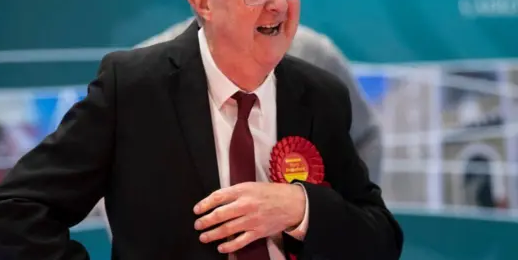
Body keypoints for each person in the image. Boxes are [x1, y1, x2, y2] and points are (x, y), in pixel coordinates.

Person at [0, 0, 403, 260]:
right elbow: (16, 209)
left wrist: (301, 207)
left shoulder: (321, 94)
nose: (280, 4)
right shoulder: (132, 88)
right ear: (203, 2)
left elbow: (380, 238)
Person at [137, 18, 383, 184]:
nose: (272, 1)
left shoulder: (315, 56)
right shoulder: (146, 73)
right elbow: (116, 169)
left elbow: (365, 136)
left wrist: (346, 228)